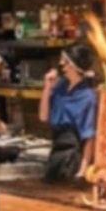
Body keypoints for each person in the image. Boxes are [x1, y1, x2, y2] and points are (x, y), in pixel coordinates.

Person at [39, 44, 98, 181]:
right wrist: (47, 88)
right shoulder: (60, 86)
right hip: (56, 150)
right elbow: (43, 117)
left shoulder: (87, 96)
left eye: (64, 61)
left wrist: (82, 170)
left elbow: (89, 136)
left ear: (73, 65)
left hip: (73, 154)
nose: (60, 64)